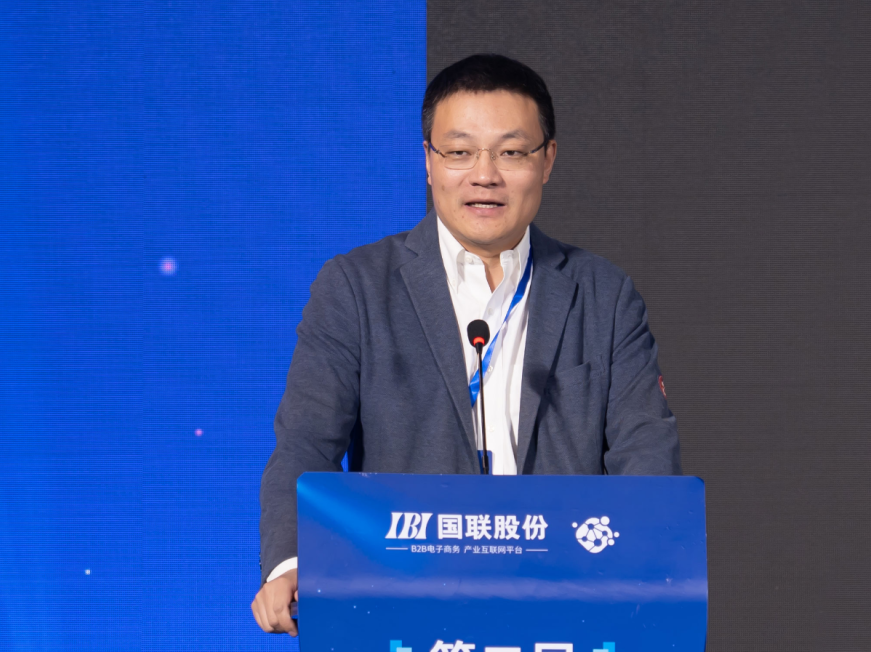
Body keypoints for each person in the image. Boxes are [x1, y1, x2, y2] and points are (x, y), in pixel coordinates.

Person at [251, 54, 682, 636]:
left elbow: (645, 452)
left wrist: (650, 577)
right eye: (459, 152)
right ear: (429, 162)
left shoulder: (602, 293)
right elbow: (306, 443)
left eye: (511, 152)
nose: (485, 175)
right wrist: (292, 561)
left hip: (564, 609)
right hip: (407, 610)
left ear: (548, 160)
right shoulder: (356, 287)